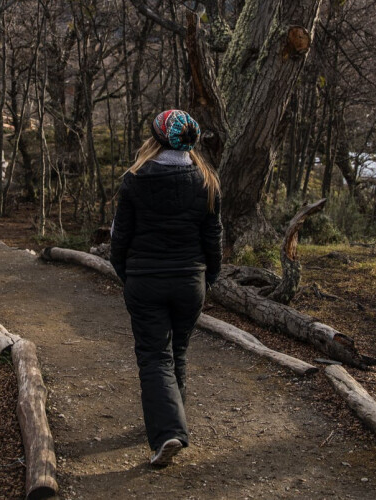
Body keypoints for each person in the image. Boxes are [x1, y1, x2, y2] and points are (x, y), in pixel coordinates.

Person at [109, 109, 222, 467]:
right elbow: (213, 238)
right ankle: (171, 423)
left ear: (155, 140)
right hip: (191, 281)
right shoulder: (206, 180)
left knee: (155, 355)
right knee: (179, 351)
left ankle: (168, 430)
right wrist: (210, 278)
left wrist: (125, 274)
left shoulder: (135, 179)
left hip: (146, 280)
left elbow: (120, 238)